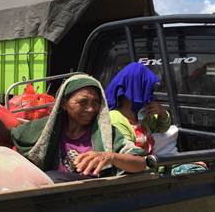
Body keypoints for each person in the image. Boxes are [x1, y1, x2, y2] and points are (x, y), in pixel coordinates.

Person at [11, 74, 146, 181]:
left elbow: (140, 163)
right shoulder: (49, 127)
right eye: (83, 102)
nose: (90, 109)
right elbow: (15, 134)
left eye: (96, 102)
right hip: (51, 195)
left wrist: (110, 157)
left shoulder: (107, 133)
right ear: (64, 104)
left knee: (53, 177)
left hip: (88, 194)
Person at [105, 62, 170, 154]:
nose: (150, 93)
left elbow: (161, 129)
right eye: (147, 88)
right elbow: (129, 156)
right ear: (136, 89)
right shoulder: (115, 119)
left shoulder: (141, 114)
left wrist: (162, 113)